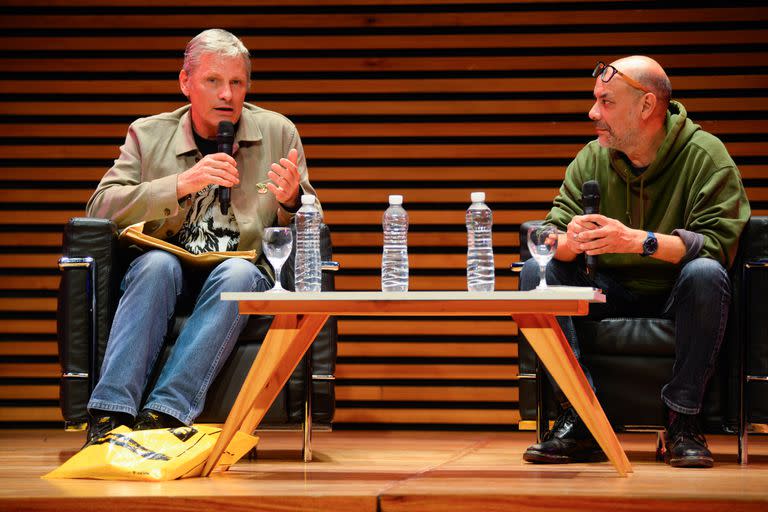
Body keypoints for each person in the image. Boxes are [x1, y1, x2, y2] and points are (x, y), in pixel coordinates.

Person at [83, 29, 320, 444]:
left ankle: (165, 414)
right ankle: (110, 414)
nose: (226, 94)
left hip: (241, 270)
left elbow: (313, 225)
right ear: (185, 83)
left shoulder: (279, 132)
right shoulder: (148, 134)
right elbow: (99, 208)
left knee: (236, 274)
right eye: (213, 81)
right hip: (165, 270)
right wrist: (178, 184)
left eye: (237, 83)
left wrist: (291, 201)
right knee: (156, 264)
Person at [519, 56, 750, 468]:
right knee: (540, 270)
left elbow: (719, 245)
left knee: (706, 272)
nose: (593, 113)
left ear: (646, 106)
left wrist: (636, 241)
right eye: (595, 101)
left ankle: (683, 421)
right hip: (609, 287)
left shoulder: (706, 156)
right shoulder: (591, 157)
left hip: (678, 291)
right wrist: (569, 241)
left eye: (606, 102)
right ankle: (582, 418)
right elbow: (550, 237)